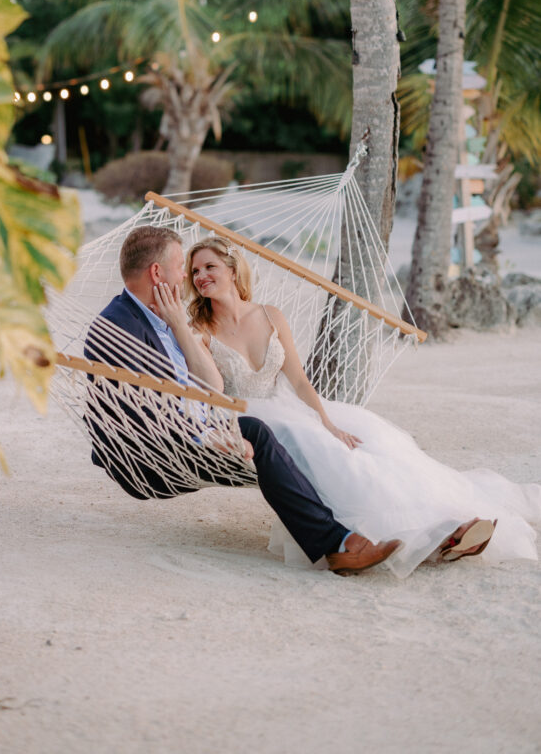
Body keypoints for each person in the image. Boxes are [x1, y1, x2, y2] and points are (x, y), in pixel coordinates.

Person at [177, 235, 541, 578]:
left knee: (375, 443)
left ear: (232, 268)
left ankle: (448, 524)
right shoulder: (201, 329)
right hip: (249, 417)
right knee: (337, 460)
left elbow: (300, 381)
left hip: (290, 407)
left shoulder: (271, 315)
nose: (201, 276)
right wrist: (188, 334)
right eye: (195, 271)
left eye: (209, 267)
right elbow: (214, 390)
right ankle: (414, 537)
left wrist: (326, 420)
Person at [85, 226, 401, 576]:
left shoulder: (163, 319)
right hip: (159, 454)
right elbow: (135, 412)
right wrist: (207, 435)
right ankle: (337, 545)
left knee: (344, 440)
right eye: (182, 268)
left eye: (205, 268)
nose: (187, 278)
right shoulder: (115, 326)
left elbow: (211, 382)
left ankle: (390, 526)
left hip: (204, 427)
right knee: (265, 434)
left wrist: (177, 325)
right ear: (157, 273)